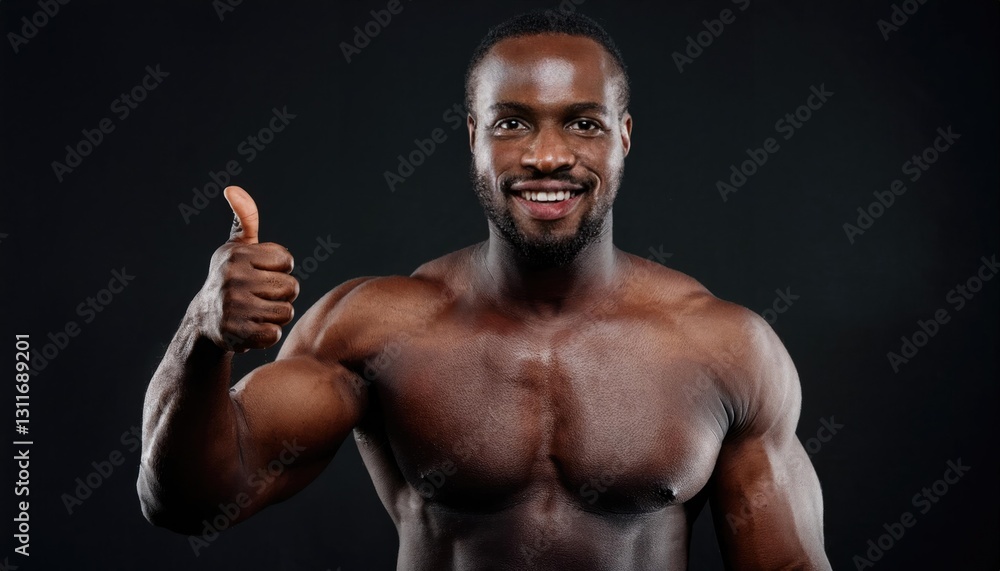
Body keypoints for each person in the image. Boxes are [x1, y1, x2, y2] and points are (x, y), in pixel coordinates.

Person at [138, 11, 832, 570]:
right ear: (473, 137)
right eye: (512, 123)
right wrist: (203, 333)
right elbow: (187, 503)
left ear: (623, 137)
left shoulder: (724, 347)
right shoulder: (374, 331)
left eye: (583, 123)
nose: (547, 155)